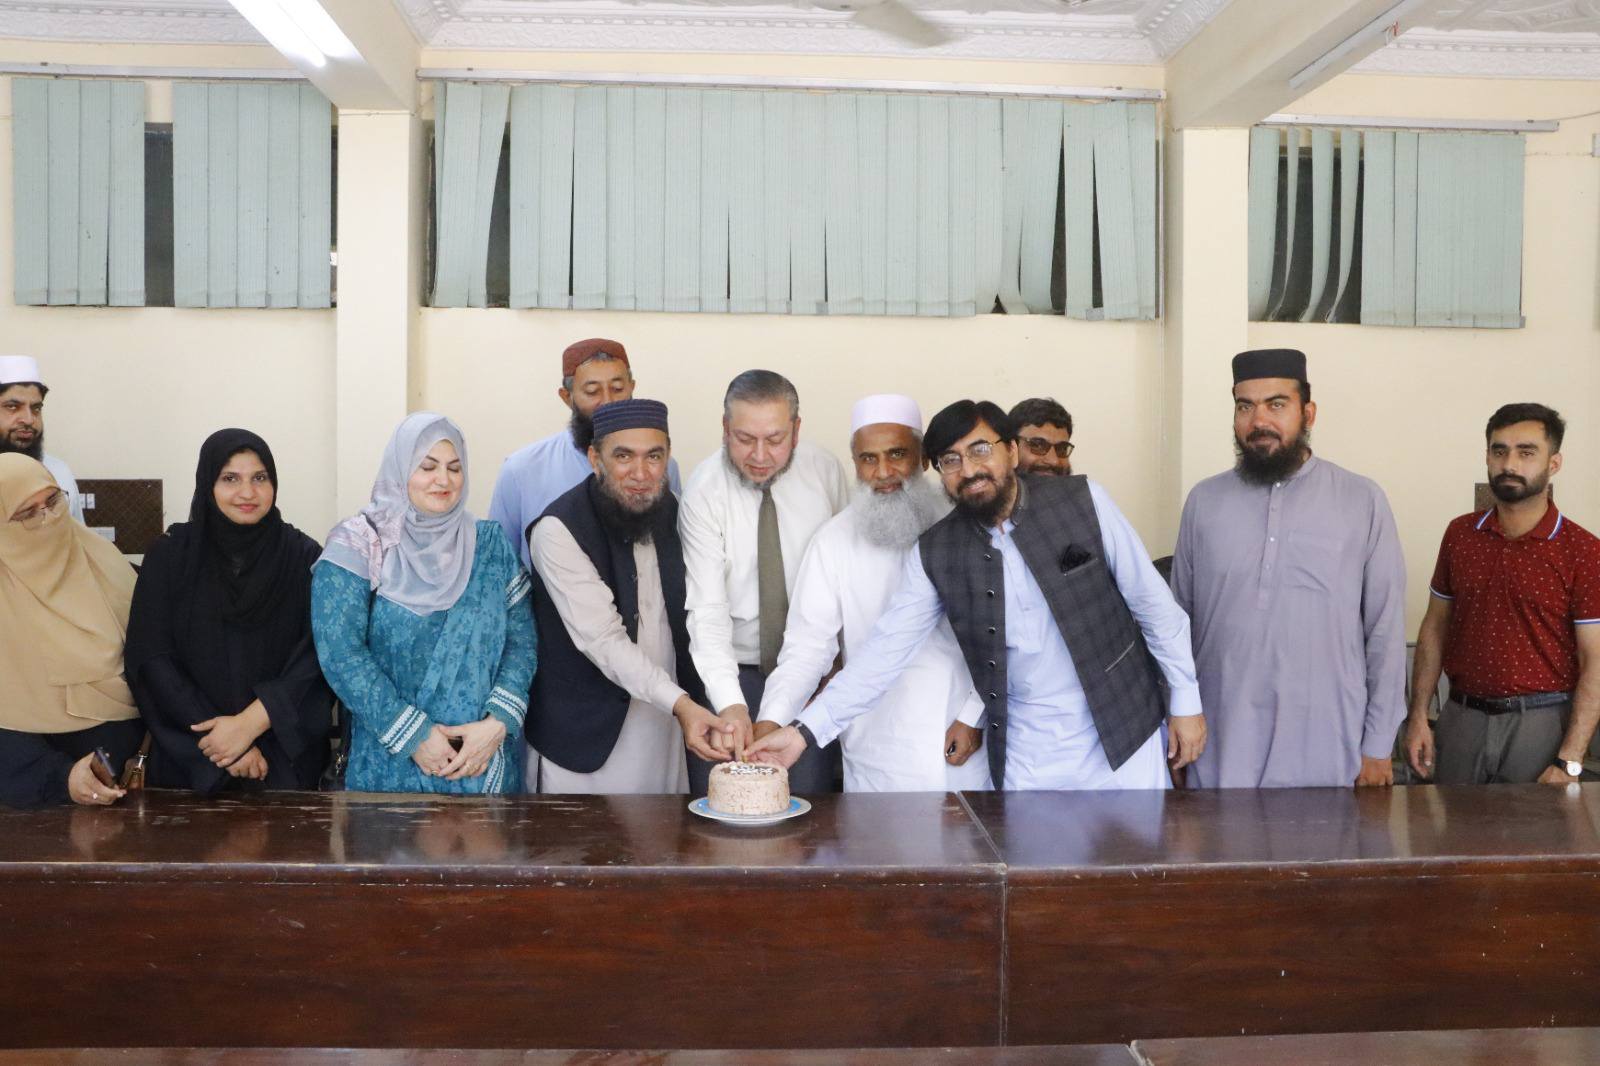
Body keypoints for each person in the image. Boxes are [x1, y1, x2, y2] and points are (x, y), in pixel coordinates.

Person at [748, 400, 1205, 791]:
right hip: (1028, 753)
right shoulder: (937, 549)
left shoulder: (1082, 501)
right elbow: (882, 654)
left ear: (1011, 451)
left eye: (980, 450)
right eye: (951, 460)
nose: (968, 470)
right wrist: (803, 733)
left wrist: (1186, 703)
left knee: (1136, 863)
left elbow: (1154, 607)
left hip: (1123, 736)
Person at [1171, 349, 1407, 789]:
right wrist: (1175, 726)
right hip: (1221, 742)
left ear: (1308, 413)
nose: (1258, 420)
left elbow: (1386, 632)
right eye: (1245, 406)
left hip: (1329, 743)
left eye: (1276, 404)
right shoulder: (1204, 501)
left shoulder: (1361, 500)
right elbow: (1176, 625)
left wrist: (1378, 745)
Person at [757, 394, 992, 792]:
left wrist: (974, 714)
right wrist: (771, 721)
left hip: (956, 737)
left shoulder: (964, 526)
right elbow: (806, 649)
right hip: (875, 750)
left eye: (897, 454)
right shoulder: (832, 541)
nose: (883, 472)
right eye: (869, 459)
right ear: (855, 464)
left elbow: (998, 633)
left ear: (923, 459)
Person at [311, 413, 536, 794]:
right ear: (400, 470)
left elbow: (522, 641)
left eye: (454, 468)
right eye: (427, 467)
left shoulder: (490, 545)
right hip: (390, 766)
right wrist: (414, 736)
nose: (443, 480)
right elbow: (341, 653)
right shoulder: (360, 544)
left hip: (483, 765)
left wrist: (498, 723)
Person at [527, 399, 734, 793]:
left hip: (665, 725)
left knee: (664, 829)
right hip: (583, 735)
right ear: (595, 459)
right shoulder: (558, 530)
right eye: (623, 456)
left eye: (653, 456)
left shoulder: (674, 510)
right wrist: (682, 705)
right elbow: (603, 639)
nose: (640, 473)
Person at [125, 429, 334, 793]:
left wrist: (250, 724)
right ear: (208, 483)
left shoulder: (303, 557)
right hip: (192, 756)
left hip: (282, 759)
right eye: (230, 479)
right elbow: (152, 657)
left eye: (260, 478)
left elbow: (318, 657)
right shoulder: (171, 555)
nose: (247, 493)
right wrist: (223, 743)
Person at [1406, 403, 1600, 785]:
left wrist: (1570, 759)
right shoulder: (1461, 535)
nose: (1509, 464)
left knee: (1536, 826)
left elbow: (1595, 659)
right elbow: (1434, 627)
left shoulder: (1583, 550)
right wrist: (1418, 717)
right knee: (1454, 824)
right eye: (1499, 451)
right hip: (1462, 719)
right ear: (1487, 457)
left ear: (1554, 463)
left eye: (1526, 452)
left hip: (1542, 724)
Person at [679, 370, 850, 794]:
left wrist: (836, 669)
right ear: (724, 428)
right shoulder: (703, 491)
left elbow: (846, 577)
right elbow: (707, 612)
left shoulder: (825, 471)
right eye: (743, 439)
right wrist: (730, 705)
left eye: (775, 439)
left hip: (814, 672)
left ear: (796, 429)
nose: (759, 455)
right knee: (727, 801)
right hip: (730, 668)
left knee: (806, 800)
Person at [0, 454, 141, 806]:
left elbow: (154, 663)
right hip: (25, 801)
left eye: (52, 501)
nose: (48, 518)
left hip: (125, 786)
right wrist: (62, 777)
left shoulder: (106, 562)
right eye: (27, 513)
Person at [490, 338, 681, 569]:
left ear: (632, 387)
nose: (607, 402)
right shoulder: (521, 470)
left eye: (617, 389)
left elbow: (670, 545)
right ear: (566, 396)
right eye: (592, 391)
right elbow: (498, 565)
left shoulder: (661, 467)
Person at [0, 355, 84, 521]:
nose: (29, 419)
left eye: (36, 408)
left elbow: (75, 535)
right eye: (12, 407)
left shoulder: (60, 473)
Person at [1008, 397, 1075, 477]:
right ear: (1010, 448)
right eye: (1038, 445)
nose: (1054, 461)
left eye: (1062, 448)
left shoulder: (1086, 484)